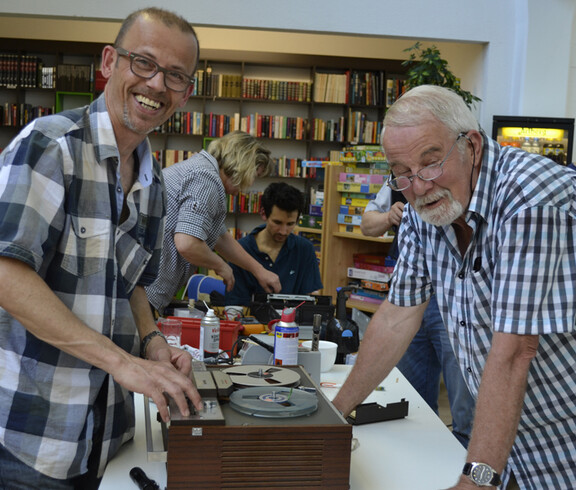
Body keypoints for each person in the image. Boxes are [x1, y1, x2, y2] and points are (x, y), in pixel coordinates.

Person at [333, 85, 576, 489]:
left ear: (473, 146)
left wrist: (477, 479)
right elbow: (397, 315)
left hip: (563, 437)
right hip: (508, 433)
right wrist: (335, 414)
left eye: (431, 164)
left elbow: (516, 351)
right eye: (403, 173)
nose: (420, 186)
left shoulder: (532, 200)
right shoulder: (419, 206)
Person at [0, 8, 203, 488]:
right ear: (110, 62)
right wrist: (121, 361)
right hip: (31, 439)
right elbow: (6, 274)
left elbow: (127, 281)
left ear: (187, 92)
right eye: (144, 63)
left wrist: (153, 343)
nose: (157, 85)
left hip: (108, 435)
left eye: (175, 75)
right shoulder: (51, 146)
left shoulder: (154, 183)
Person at [361, 185, 475, 447]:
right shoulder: (396, 184)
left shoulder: (460, 181)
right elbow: (367, 225)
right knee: (409, 395)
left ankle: (466, 468)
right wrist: (389, 217)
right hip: (410, 295)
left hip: (453, 297)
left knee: (465, 402)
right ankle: (419, 458)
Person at [145, 131, 282, 316]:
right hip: (143, 291)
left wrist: (259, 271)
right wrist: (221, 266)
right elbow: (188, 243)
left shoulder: (201, 170)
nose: (249, 185)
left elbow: (219, 237)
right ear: (243, 164)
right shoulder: (206, 179)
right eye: (254, 175)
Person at [224, 182, 323, 307]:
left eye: (290, 224)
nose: (283, 231)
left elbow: (312, 299)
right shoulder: (240, 251)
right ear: (263, 213)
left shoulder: (305, 249)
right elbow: (234, 307)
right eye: (277, 222)